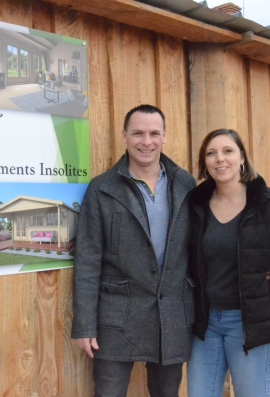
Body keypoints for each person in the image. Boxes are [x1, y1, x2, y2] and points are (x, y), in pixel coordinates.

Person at [72, 104, 196, 397]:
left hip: (171, 314)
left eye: (154, 133)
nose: (146, 141)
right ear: (125, 135)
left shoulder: (185, 184)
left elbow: (202, 246)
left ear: (165, 136)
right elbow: (87, 260)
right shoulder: (102, 189)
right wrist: (84, 324)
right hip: (117, 317)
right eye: (138, 133)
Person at [187, 129, 270, 397]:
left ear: (242, 158)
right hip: (205, 327)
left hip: (251, 326)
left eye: (228, 151)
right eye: (211, 153)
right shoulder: (194, 205)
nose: (220, 159)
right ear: (204, 163)